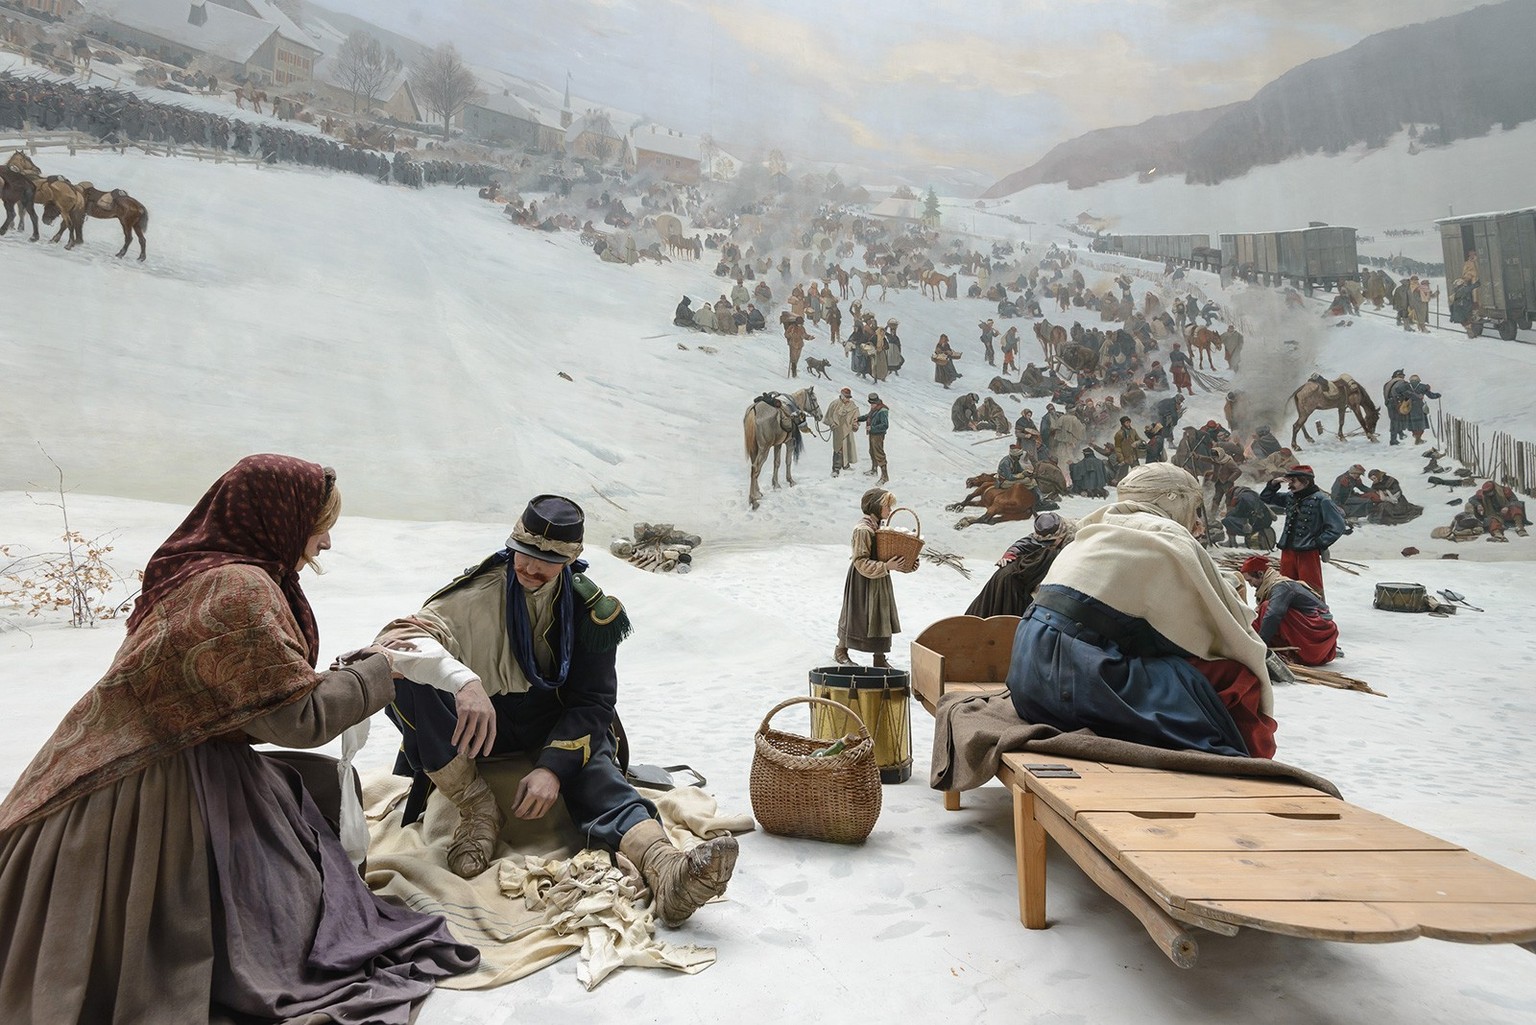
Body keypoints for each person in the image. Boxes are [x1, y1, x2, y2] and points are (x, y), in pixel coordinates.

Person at [0, 455, 478, 1023]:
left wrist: (345, 676)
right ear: (275, 515)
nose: (324, 542)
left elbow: (245, 692)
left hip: (120, 755)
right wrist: (377, 672)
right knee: (289, 863)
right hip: (156, 780)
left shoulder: (204, 569)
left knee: (322, 788)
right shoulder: (239, 590)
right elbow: (296, 722)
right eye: (318, 523)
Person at [377, 495, 739, 926]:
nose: (530, 568)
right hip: (478, 720)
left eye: (547, 560)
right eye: (524, 554)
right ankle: (476, 807)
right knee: (405, 679)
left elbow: (593, 701)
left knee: (594, 770)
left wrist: (552, 767)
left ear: (570, 559)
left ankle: (664, 867)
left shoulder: (592, 611)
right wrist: (464, 682)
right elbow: (402, 639)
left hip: (551, 719)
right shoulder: (475, 593)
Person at [1005, 463, 1278, 759]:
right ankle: (1251, 767)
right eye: (1193, 507)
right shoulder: (1166, 538)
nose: (1198, 522)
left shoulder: (1095, 528)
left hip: (1029, 682)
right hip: (1073, 685)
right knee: (1236, 677)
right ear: (1172, 499)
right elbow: (1214, 635)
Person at [835, 488, 908, 667]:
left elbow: (887, 553)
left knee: (880, 615)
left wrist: (904, 562)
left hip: (880, 579)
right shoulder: (863, 530)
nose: (890, 511)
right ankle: (841, 650)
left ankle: (879, 657)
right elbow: (860, 561)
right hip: (862, 580)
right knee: (857, 614)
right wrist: (885, 566)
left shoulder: (880, 528)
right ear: (875, 506)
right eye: (886, 506)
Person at [965, 511, 1077, 618]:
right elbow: (1026, 542)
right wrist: (1011, 553)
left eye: (1050, 542)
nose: (1047, 546)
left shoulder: (1074, 539)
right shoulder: (1011, 575)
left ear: (1061, 536)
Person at [1258, 465, 1347, 595]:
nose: (1289, 485)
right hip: (1288, 550)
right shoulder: (1290, 497)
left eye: (1293, 481)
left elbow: (1337, 527)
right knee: (1286, 586)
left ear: (1305, 481)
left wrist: (1318, 543)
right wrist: (1273, 484)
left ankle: (1316, 615)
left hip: (1308, 553)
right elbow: (1266, 498)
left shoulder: (1322, 500)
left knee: (1311, 589)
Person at [1240, 555, 1338, 667]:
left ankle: (1259, 644)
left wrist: (1261, 645)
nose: (1251, 585)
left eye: (1250, 580)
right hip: (1317, 626)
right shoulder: (1276, 585)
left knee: (1267, 608)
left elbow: (1273, 615)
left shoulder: (1281, 587)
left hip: (1318, 629)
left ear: (1260, 574)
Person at [1222, 484, 1277, 549]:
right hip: (1265, 522)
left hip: (1256, 523)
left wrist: (1228, 513)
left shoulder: (1243, 497)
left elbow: (1238, 512)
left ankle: (1232, 542)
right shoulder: (1253, 495)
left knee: (1227, 520)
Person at [825, 386, 860, 477]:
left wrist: (855, 424)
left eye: (849, 397)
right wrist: (832, 423)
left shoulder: (852, 405)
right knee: (838, 448)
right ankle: (836, 469)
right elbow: (828, 417)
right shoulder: (834, 404)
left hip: (848, 430)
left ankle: (846, 465)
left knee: (848, 447)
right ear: (842, 396)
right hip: (838, 431)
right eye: (846, 397)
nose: (848, 399)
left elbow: (856, 416)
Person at [858, 392, 890, 482]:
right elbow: (868, 416)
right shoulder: (875, 408)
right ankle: (874, 470)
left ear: (877, 402)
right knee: (872, 452)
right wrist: (858, 418)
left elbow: (885, 425)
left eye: (872, 403)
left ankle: (885, 476)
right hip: (872, 434)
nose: (871, 405)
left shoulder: (882, 411)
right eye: (871, 404)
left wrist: (872, 428)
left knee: (879, 454)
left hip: (878, 435)